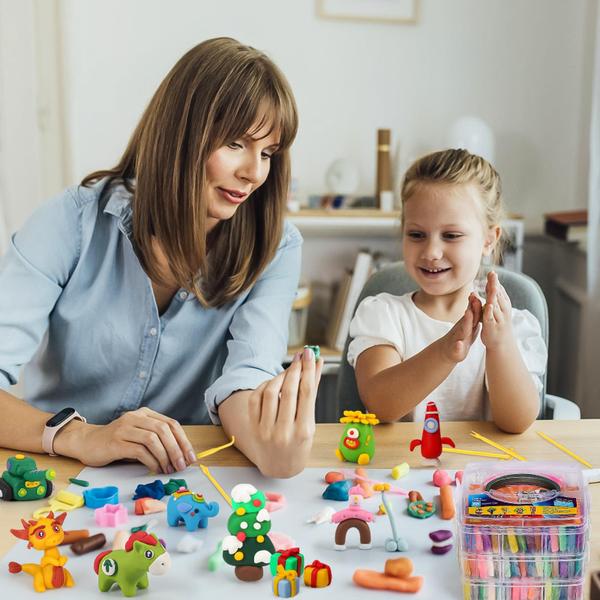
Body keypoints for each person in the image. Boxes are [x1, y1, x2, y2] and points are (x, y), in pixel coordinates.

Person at [0, 37, 323, 478]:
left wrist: (272, 446)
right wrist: (83, 436)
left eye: (268, 153)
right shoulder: (71, 221)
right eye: (235, 144)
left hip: (176, 480)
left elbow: (243, 379)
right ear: (181, 134)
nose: (254, 172)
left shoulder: (277, 246)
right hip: (54, 469)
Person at [348, 148, 546, 433]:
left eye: (451, 236)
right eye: (417, 235)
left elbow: (516, 422)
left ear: (489, 240)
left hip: (480, 473)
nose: (431, 252)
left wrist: (500, 344)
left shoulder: (515, 326)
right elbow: (380, 405)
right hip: (398, 471)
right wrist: (445, 352)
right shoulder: (382, 313)